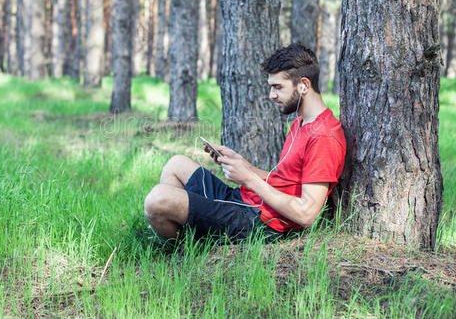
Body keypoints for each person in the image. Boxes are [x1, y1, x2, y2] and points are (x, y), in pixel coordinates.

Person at [144, 43, 346, 241]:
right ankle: (188, 233)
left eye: (278, 87)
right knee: (176, 164)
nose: (271, 95)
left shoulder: (323, 137)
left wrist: (248, 179)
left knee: (158, 200)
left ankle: (186, 250)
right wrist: (243, 165)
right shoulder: (301, 122)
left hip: (260, 223)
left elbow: (306, 214)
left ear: (304, 85)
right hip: (247, 203)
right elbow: (285, 181)